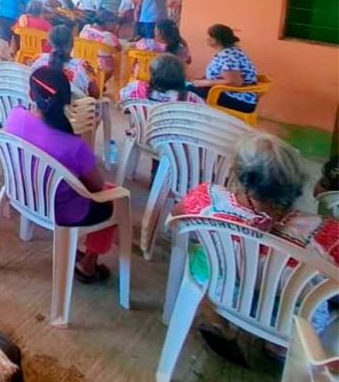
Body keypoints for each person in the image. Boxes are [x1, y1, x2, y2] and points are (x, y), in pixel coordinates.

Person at [175, 133, 338, 362]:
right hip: (289, 320)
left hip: (223, 291)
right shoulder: (322, 232)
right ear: (295, 183)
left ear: (239, 174)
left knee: (204, 258)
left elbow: (176, 217)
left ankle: (216, 319)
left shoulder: (207, 198)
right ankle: (280, 349)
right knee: (320, 293)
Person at [4, 66, 118, 283]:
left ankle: (81, 253)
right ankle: (88, 265)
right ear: (67, 100)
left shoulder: (16, 116)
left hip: (23, 194)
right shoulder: (75, 146)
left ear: (31, 95)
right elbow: (97, 187)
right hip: (61, 211)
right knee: (116, 199)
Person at [189, 24, 260, 113]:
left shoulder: (229, 56)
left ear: (215, 40)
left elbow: (235, 82)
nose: (206, 38)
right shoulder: (229, 51)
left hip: (240, 99)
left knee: (188, 89)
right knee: (189, 86)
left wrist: (205, 83)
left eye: (208, 35)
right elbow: (221, 74)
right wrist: (202, 79)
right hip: (231, 94)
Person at [30, 25, 99, 99]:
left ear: (48, 43)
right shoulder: (83, 67)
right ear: (73, 44)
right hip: (74, 106)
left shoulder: (38, 60)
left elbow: (32, 90)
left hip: (43, 105)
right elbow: (95, 95)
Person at [119, 53, 204, 103]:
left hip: (146, 128)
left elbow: (122, 101)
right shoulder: (191, 99)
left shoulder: (137, 89)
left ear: (153, 73)